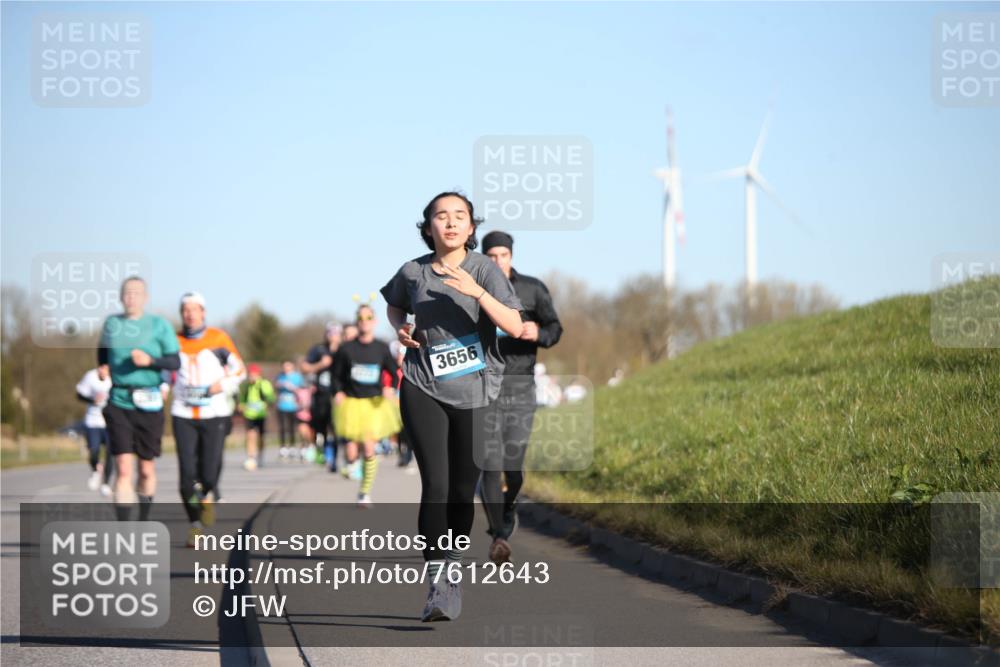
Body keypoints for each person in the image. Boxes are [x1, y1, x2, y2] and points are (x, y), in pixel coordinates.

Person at [382, 191, 522, 622]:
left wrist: (477, 292)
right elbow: (394, 307)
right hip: (422, 384)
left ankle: (453, 565)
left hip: (475, 392)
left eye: (460, 216)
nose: (451, 223)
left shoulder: (484, 270)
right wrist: (403, 330)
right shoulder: (412, 271)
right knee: (437, 487)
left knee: (464, 491)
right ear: (428, 228)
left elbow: (515, 326)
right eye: (441, 216)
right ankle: (438, 581)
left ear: (471, 227)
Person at [479, 230, 563, 563]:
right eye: (491, 256)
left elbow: (556, 327)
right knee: (488, 463)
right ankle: (499, 535)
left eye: (503, 255)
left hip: (520, 386)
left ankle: (508, 509)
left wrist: (538, 333)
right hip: (483, 386)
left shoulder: (532, 288)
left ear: (511, 257)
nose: (498, 261)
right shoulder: (474, 289)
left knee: (512, 466)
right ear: (483, 257)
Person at [98, 276, 180, 522]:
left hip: (149, 401)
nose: (131, 298)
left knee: (146, 469)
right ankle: (125, 530)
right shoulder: (111, 324)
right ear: (121, 297)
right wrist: (103, 367)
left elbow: (175, 361)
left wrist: (151, 361)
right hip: (119, 400)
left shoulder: (159, 325)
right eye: (127, 293)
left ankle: (143, 520)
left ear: (145, 298)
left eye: (136, 293)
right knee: (123, 469)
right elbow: (102, 352)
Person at [169, 292, 245, 546]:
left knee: (209, 473)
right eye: (185, 310)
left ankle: (208, 494)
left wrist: (220, 385)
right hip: (183, 414)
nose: (189, 314)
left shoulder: (218, 338)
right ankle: (195, 524)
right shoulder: (173, 340)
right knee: (186, 477)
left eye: (194, 309)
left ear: (203, 312)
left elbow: (240, 371)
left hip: (214, 413)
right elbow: (163, 372)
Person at [332, 304, 400, 507]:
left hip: (374, 404)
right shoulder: (346, 349)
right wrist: (338, 392)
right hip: (351, 403)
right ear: (356, 321)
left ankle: (364, 492)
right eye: (361, 318)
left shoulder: (381, 347)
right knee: (352, 451)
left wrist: (391, 388)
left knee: (369, 449)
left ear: (375, 321)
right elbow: (336, 375)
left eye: (368, 317)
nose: (364, 321)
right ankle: (350, 463)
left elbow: (394, 370)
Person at [302, 323, 342, 472]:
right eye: (330, 333)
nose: (333, 336)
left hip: (337, 395)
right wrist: (320, 364)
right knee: (321, 428)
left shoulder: (343, 350)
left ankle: (334, 459)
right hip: (320, 395)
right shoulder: (318, 349)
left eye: (336, 333)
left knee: (336, 428)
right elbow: (304, 367)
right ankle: (324, 453)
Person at [75, 364, 114, 495]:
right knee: (94, 451)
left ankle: (106, 484)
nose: (103, 372)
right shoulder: (90, 376)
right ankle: (96, 469)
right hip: (93, 421)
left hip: (110, 422)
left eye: (106, 369)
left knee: (110, 453)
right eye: (101, 368)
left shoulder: (115, 377)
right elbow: (79, 395)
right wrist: (92, 399)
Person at [238, 364, 275, 470]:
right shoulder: (245, 385)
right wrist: (241, 404)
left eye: (254, 375)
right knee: (250, 435)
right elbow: (241, 397)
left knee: (260, 437)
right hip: (249, 414)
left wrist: (268, 402)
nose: (252, 377)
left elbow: (271, 397)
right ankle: (251, 457)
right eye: (250, 375)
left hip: (261, 414)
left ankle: (260, 455)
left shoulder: (264, 384)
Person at [274, 360, 305, 460]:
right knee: (283, 427)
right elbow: (276, 387)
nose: (286, 368)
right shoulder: (280, 376)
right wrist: (279, 385)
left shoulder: (297, 377)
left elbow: (301, 389)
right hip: (282, 405)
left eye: (288, 366)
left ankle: (292, 446)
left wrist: (292, 387)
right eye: (284, 366)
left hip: (293, 406)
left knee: (292, 427)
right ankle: (283, 447)